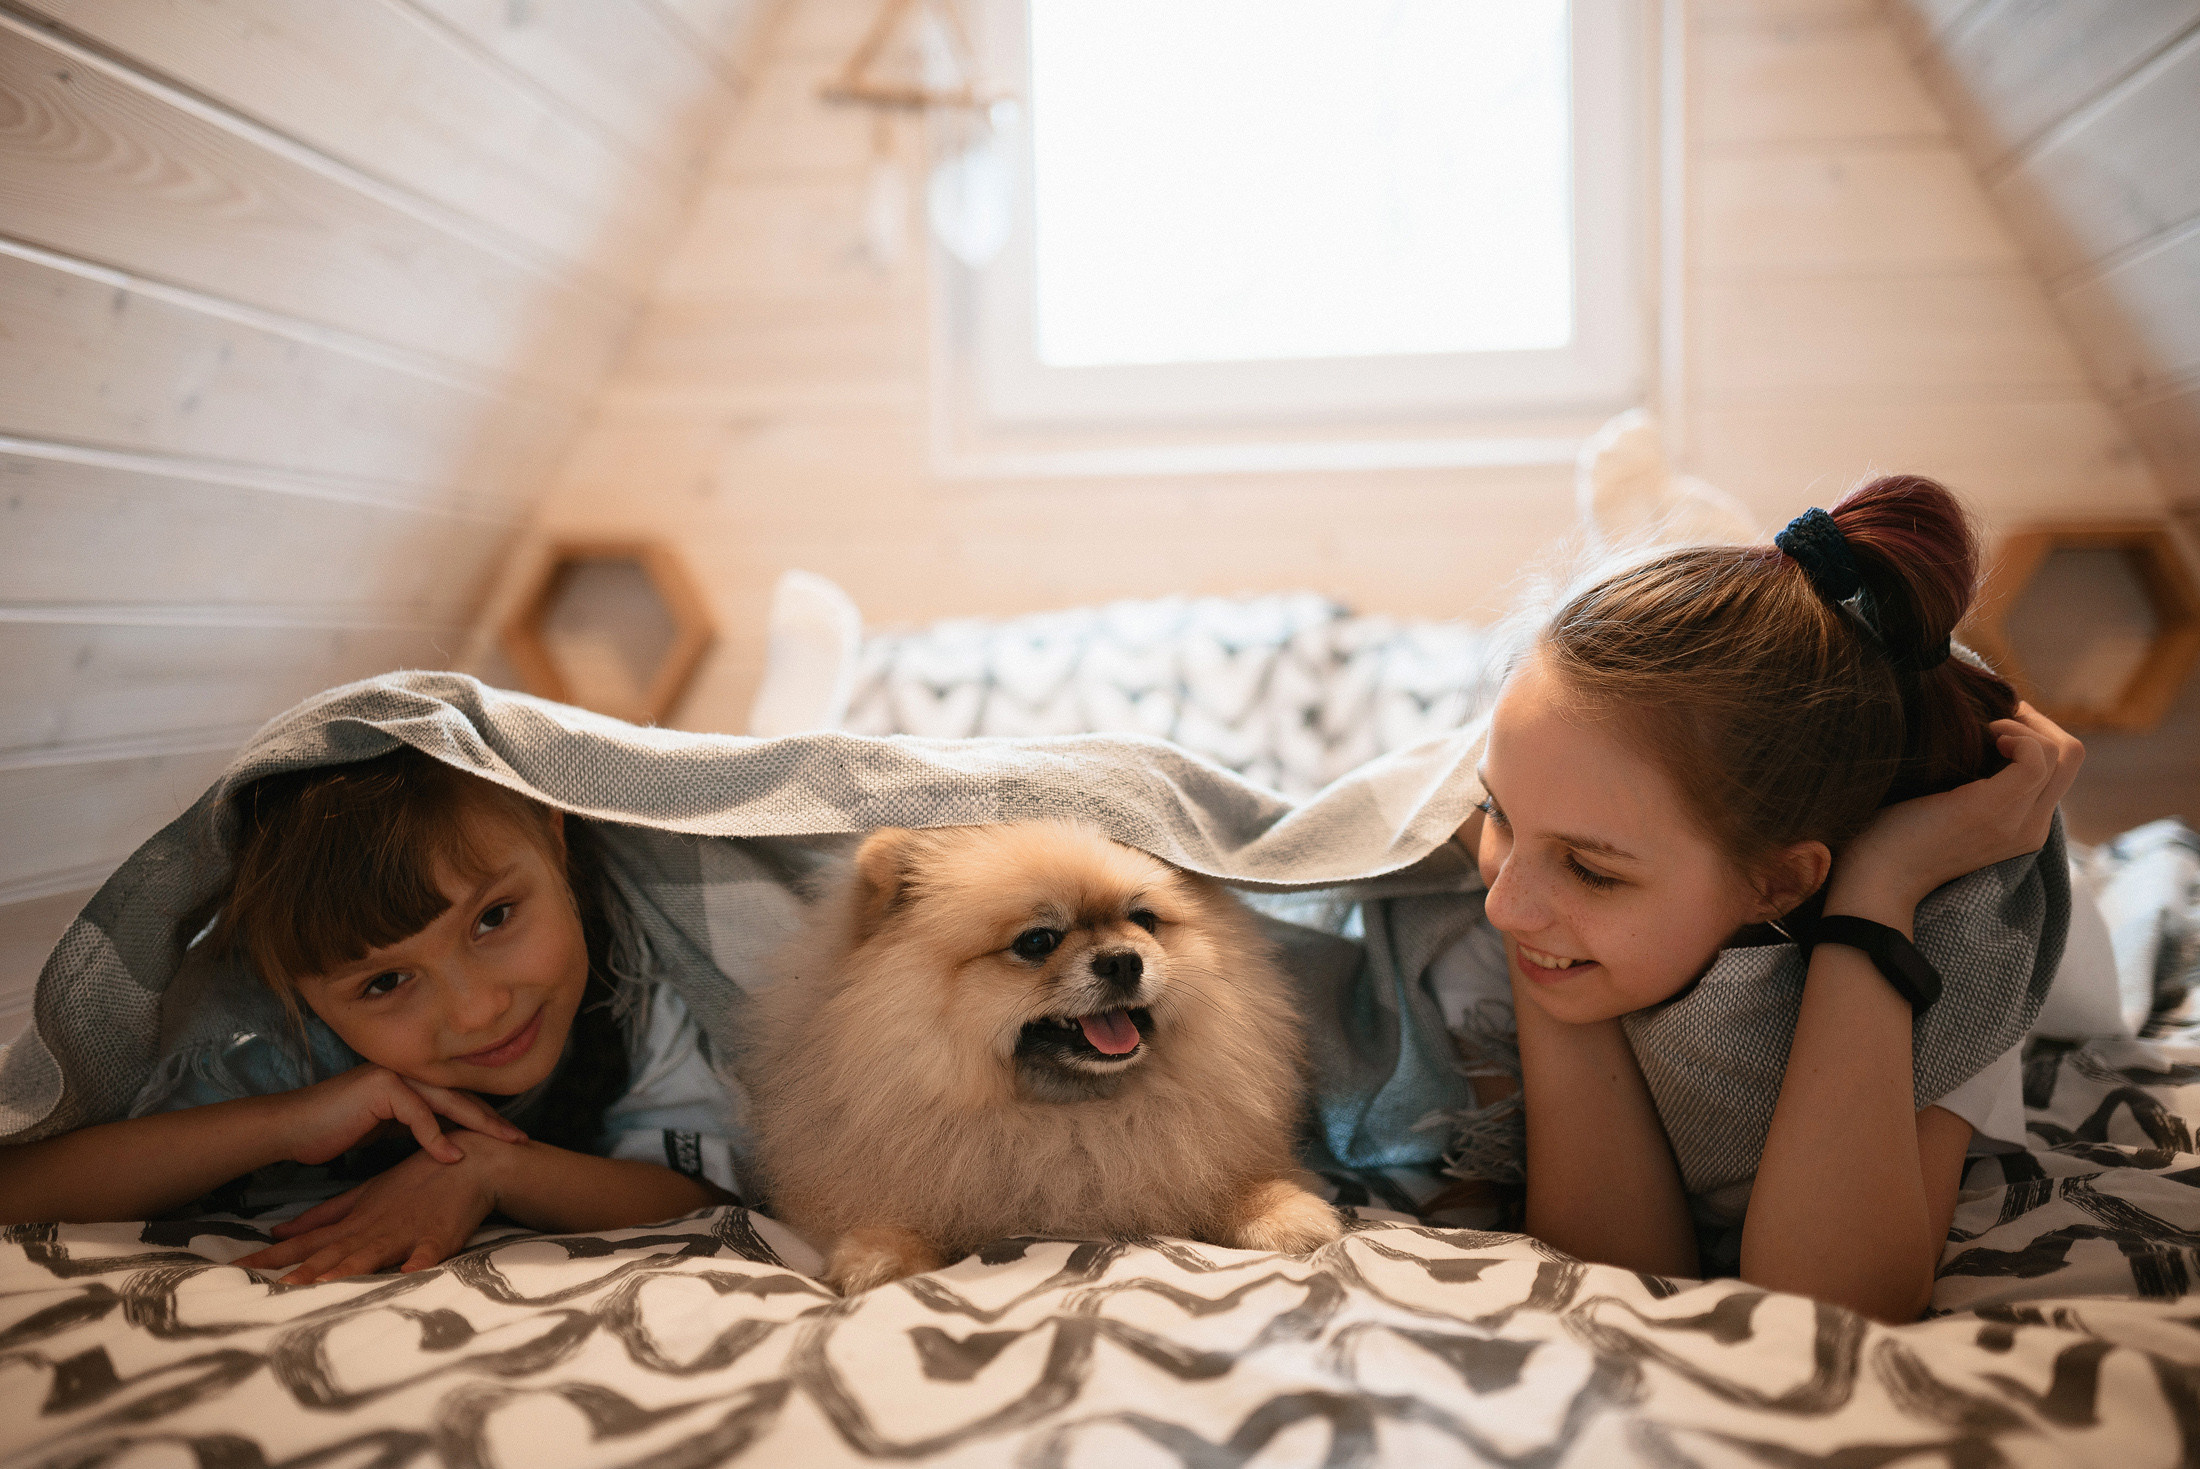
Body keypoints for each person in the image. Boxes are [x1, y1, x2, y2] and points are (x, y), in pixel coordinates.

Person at [1439, 473, 2083, 1323]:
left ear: (1778, 882)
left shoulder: (1966, 928)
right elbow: (1617, 1271)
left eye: (1592, 870)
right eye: (1498, 811)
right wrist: (1551, 950)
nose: (1503, 906)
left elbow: (1826, 1302)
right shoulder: (1513, 877)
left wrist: (1882, 885)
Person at [0, 747, 737, 1283]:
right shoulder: (271, 1039)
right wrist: (289, 1121)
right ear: (291, 988)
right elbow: (19, 1187)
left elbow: (709, 1193)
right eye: (385, 982)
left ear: (553, 832)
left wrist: (491, 1169)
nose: (478, 1009)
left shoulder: (634, 976)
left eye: (494, 917)